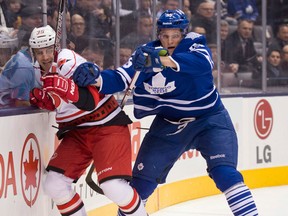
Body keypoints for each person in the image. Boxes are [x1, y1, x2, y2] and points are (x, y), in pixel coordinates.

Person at [73, 9, 259, 216]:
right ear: (158, 34)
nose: (170, 41)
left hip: (209, 121)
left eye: (175, 36)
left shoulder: (195, 42)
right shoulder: (144, 54)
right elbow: (121, 78)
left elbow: (203, 64)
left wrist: (162, 61)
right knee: (139, 187)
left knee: (225, 174)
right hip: (169, 125)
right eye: (164, 35)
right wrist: (96, 79)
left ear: (184, 34)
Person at [28, 25, 148, 216]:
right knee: (54, 185)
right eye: (39, 52)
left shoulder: (67, 61)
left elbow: (91, 100)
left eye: (49, 50)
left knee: (113, 187)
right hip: (77, 132)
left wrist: (68, 87)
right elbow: (59, 103)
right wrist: (48, 101)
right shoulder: (35, 71)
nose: (45, 56)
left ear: (56, 48)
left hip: (106, 125)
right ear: (32, 52)